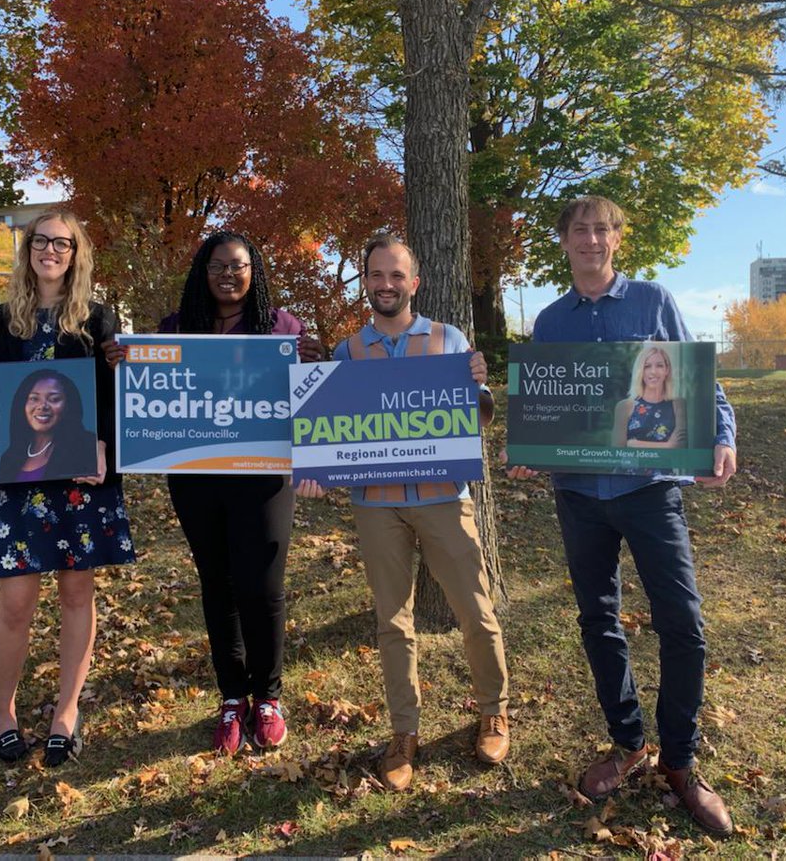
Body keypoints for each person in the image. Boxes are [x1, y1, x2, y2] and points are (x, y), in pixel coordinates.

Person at [508, 196, 736, 836]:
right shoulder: (551, 322)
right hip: (580, 495)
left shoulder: (652, 302)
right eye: (580, 230)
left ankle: (682, 762)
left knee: (682, 623)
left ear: (616, 239)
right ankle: (629, 742)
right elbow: (544, 408)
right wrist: (529, 451)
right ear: (564, 242)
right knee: (597, 618)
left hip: (649, 488)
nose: (591, 239)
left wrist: (723, 433)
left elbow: (700, 377)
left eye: (602, 229)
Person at [296, 234, 510, 792]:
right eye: (376, 275)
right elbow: (326, 433)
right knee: (394, 623)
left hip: (444, 499)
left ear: (414, 283)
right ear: (365, 281)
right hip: (376, 507)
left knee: (475, 610)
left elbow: (479, 419)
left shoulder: (448, 339)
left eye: (397, 276)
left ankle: (493, 710)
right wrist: (313, 471)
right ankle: (404, 733)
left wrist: (479, 387)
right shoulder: (348, 353)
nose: (386, 285)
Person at [110, 231, 323, 755]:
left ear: (255, 271)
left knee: (263, 585)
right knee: (217, 584)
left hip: (264, 475)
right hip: (196, 476)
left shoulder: (282, 328)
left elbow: (313, 396)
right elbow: (144, 395)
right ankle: (232, 697)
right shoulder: (175, 329)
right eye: (217, 266)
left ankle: (268, 697)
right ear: (201, 273)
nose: (229, 275)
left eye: (239, 265)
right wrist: (122, 363)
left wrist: (313, 363)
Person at [0, 211, 135, 768]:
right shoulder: (3, 318)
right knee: (16, 601)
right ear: (28, 249)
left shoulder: (96, 317)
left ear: (76, 253)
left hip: (80, 478)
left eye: (62, 243)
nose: (50, 250)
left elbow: (112, 392)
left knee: (76, 593)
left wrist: (107, 451)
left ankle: (67, 711)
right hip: (22, 478)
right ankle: (4, 711)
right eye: (41, 241)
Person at [0, 368, 98, 483]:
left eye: (54, 399)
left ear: (68, 404)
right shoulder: (9, 457)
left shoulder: (87, 446)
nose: (42, 406)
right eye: (34, 398)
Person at [611, 345, 686, 449]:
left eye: (659, 366)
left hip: (664, 465)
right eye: (647, 366)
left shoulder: (678, 405)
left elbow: (679, 446)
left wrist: (634, 444)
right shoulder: (625, 406)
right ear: (640, 371)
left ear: (667, 370)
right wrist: (667, 445)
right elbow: (617, 452)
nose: (653, 371)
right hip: (631, 465)